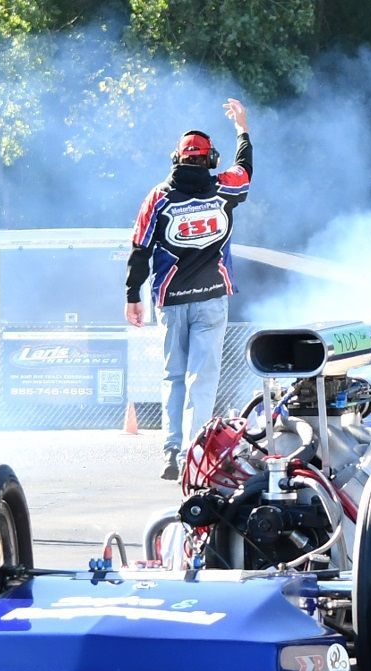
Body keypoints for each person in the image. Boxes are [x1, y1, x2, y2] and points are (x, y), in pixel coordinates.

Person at [126, 98, 252, 480]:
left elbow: (139, 249)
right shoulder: (223, 189)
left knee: (173, 376)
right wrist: (242, 128)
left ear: (176, 159)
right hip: (212, 298)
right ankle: (195, 454)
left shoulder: (158, 197)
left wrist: (132, 296)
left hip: (170, 299)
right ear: (210, 159)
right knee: (203, 377)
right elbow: (245, 168)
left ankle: (171, 451)